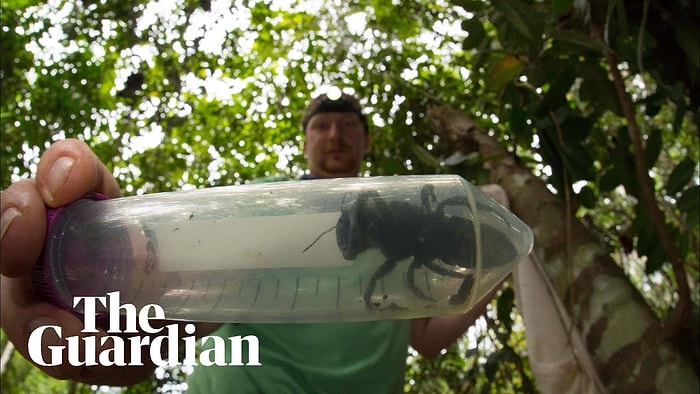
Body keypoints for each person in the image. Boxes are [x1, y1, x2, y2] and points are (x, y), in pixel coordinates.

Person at [0, 90, 496, 392]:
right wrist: (113, 267)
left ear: (366, 142)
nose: (334, 135)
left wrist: (494, 261)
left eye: (348, 126)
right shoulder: (265, 203)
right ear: (306, 142)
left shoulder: (410, 208)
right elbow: (190, 279)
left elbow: (426, 337)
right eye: (321, 126)